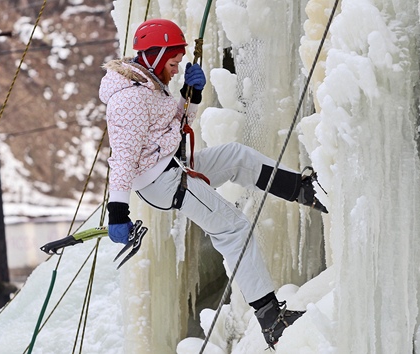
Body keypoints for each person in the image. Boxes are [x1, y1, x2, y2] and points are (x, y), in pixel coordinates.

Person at [98, 18, 328, 348]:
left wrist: (189, 96)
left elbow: (170, 127)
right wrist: (117, 211)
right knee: (234, 229)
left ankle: (308, 191)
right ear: (155, 56)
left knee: (236, 157)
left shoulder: (147, 84)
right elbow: (122, 158)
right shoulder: (130, 99)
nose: (176, 69)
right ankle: (271, 319)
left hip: (171, 164)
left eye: (178, 63)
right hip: (164, 181)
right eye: (173, 63)